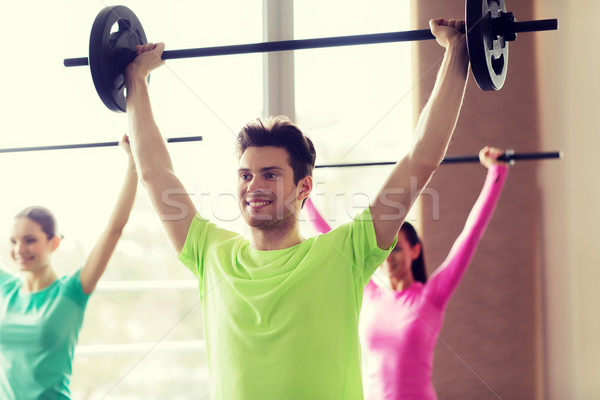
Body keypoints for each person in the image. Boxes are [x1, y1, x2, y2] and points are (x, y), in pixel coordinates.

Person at [124, 17, 468, 399]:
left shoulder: (345, 252)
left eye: (270, 174)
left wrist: (457, 53)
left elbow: (420, 161)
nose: (253, 185)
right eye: (245, 175)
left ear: (304, 187)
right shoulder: (211, 252)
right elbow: (155, 173)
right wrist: (136, 80)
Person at [307, 146, 509, 399]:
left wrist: (496, 173)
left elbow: (471, 234)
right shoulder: (370, 293)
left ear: (414, 251)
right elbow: (331, 241)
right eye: (386, 250)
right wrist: (303, 194)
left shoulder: (431, 296)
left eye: (398, 249)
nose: (389, 257)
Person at [0, 136, 138, 400]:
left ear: (53, 243)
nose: (19, 250)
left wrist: (133, 161)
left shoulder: (72, 290)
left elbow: (114, 229)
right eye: (14, 241)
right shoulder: (5, 288)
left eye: (30, 240)